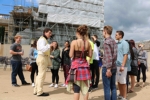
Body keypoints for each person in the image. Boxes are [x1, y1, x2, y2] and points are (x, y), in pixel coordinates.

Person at [66, 25, 92, 100]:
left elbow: (70, 55)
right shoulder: (88, 43)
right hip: (85, 67)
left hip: (75, 67)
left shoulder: (74, 42)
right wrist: (85, 53)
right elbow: (90, 55)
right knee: (85, 87)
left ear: (77, 32)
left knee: (76, 89)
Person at [34, 28, 53, 96]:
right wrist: (49, 45)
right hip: (42, 58)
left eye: (51, 33)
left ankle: (36, 90)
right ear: (45, 32)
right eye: (49, 33)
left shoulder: (42, 39)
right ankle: (40, 92)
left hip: (41, 57)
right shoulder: (42, 40)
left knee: (39, 75)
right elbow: (42, 49)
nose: (50, 34)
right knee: (41, 76)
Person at [102, 25, 117, 100]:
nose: (102, 32)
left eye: (102, 31)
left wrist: (108, 69)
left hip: (108, 67)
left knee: (107, 88)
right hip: (114, 66)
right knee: (113, 87)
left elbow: (109, 57)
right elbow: (114, 55)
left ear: (105, 31)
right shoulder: (113, 41)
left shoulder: (106, 42)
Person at [115, 31, 129, 100]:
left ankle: (124, 97)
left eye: (116, 35)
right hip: (116, 65)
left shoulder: (124, 43)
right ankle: (120, 94)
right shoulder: (117, 43)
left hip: (122, 65)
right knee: (119, 81)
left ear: (120, 35)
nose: (115, 36)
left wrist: (123, 65)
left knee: (123, 82)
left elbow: (125, 54)